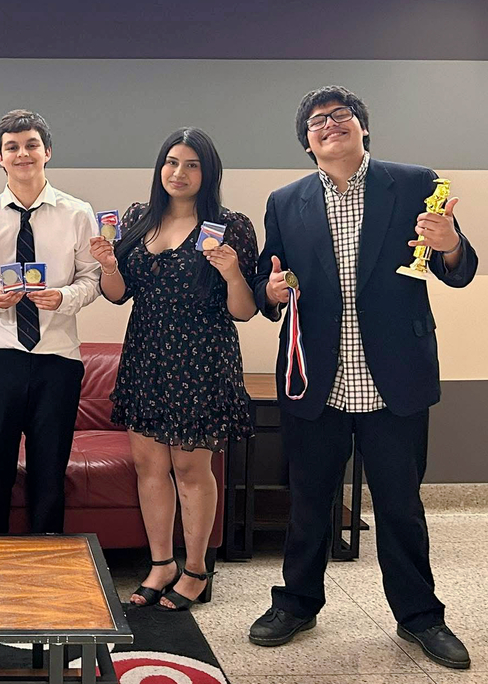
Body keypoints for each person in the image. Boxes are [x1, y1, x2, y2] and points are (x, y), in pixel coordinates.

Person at [247, 86, 478, 669]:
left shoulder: (415, 182)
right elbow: (270, 279)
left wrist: (451, 246)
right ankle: (297, 602)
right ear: (306, 142)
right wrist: (270, 292)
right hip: (315, 380)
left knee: (400, 504)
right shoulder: (285, 200)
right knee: (308, 502)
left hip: (393, 376)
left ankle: (420, 615)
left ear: (363, 128)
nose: (329, 125)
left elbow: (458, 270)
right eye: (316, 122)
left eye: (340, 116)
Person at [91, 128, 257, 610]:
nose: (179, 173)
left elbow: (244, 311)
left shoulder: (231, 226)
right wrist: (106, 264)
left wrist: (229, 271)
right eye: (171, 162)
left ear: (208, 173)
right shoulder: (138, 220)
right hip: (147, 354)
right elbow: (119, 294)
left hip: (202, 358)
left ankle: (197, 569)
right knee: (149, 466)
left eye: (191, 165)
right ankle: (161, 563)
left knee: (190, 467)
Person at [0, 109, 100, 534]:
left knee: (50, 472)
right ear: (0, 158)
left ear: (47, 152)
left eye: (31, 145)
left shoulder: (77, 213)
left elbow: (92, 279)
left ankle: (49, 561)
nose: (22, 154)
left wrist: (63, 297)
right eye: (12, 147)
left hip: (58, 358)